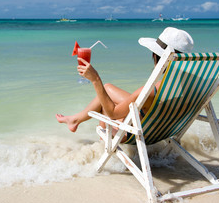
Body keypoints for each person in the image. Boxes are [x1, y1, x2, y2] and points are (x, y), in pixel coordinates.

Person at [56, 27, 194, 142]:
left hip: (143, 135)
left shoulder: (152, 91)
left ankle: (79, 126)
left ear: (157, 56)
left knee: (105, 107)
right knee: (108, 89)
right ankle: (75, 120)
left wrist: (95, 79)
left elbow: (111, 113)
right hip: (162, 129)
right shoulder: (193, 86)